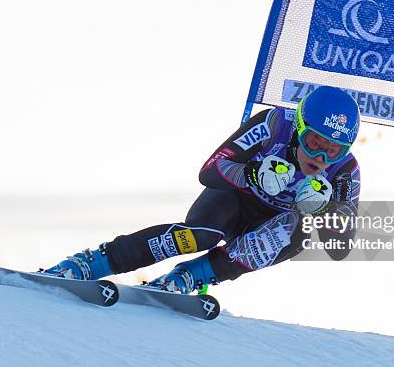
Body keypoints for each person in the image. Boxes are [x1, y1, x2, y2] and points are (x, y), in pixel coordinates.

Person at [43, 86, 361, 294]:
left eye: (332, 150)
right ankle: (94, 262)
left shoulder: (345, 171)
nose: (320, 158)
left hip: (268, 226)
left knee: (297, 233)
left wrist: (325, 211)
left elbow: (339, 248)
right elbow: (209, 172)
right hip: (231, 202)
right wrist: (251, 174)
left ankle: (188, 278)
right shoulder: (274, 125)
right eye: (314, 143)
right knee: (200, 235)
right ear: (300, 129)